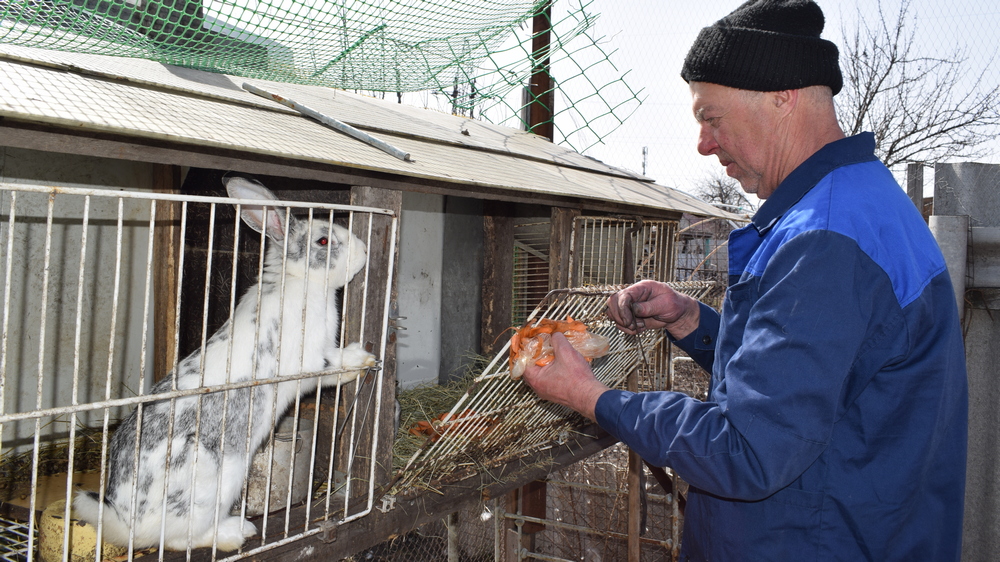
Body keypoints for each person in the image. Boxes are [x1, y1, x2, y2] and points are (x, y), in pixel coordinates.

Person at [521, 1, 968, 560]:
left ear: (782, 97)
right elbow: (816, 381)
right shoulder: (856, 205)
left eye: (711, 117)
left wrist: (591, 396)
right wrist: (691, 322)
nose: (704, 145)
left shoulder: (823, 240)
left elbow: (747, 450)